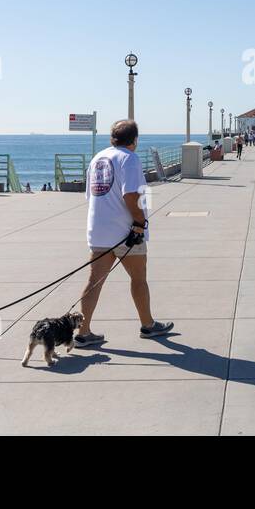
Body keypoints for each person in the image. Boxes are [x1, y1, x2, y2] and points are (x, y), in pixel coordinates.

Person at [74, 119, 174, 347]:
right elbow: (131, 194)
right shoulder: (129, 159)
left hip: (98, 231)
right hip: (125, 232)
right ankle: (148, 325)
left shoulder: (98, 157)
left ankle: (83, 331)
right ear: (135, 140)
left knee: (94, 280)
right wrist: (140, 223)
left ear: (113, 137)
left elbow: (91, 196)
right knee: (139, 279)